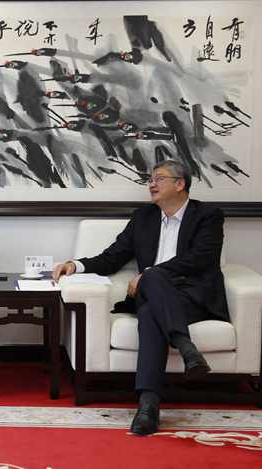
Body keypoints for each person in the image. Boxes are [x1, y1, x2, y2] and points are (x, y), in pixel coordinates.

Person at [52, 159, 228, 436]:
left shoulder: (208, 216)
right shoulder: (143, 217)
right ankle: (184, 351)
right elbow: (112, 257)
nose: (151, 184)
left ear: (180, 184)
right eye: (150, 179)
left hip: (192, 295)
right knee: (151, 292)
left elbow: (199, 259)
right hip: (154, 293)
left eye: (159, 178)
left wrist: (149, 274)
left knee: (149, 305)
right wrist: (76, 265)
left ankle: (148, 406)